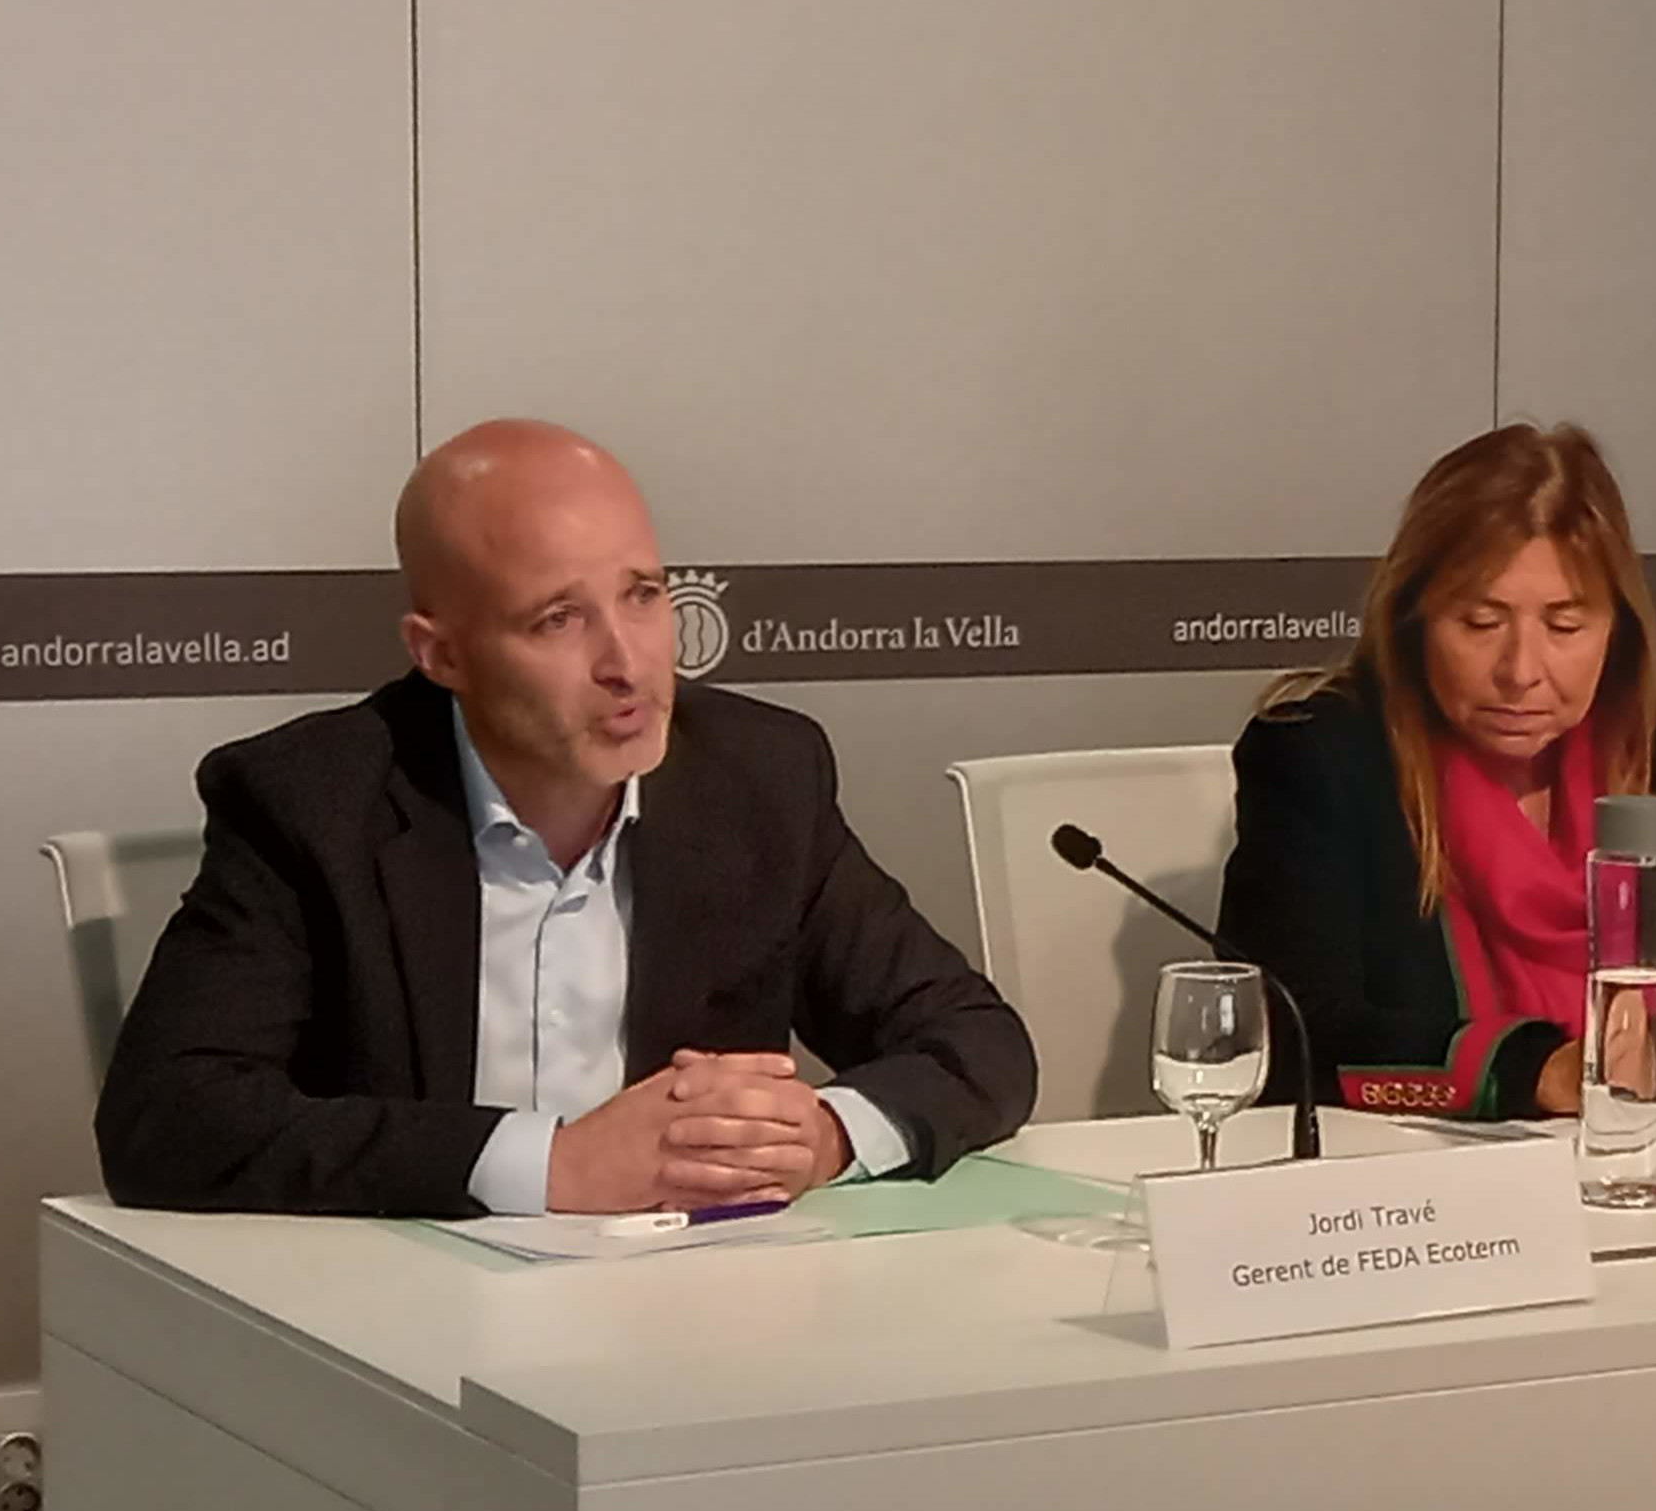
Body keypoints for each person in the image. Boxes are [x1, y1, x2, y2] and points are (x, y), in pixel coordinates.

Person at [98, 420, 1037, 1217]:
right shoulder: (314, 802)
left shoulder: (758, 779)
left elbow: (976, 1043)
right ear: (440, 654)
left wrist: (824, 1135)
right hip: (403, 1319)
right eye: (558, 619)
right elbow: (168, 1118)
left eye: (643, 595)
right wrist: (554, 1165)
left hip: (699, 1308)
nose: (627, 664)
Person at [1219, 421, 1656, 1122]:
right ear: (1413, 620)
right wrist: (1546, 1071)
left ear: (1617, 629)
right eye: (1480, 622)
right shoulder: (1323, 757)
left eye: (1564, 626)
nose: (1521, 671)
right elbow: (1291, 1032)